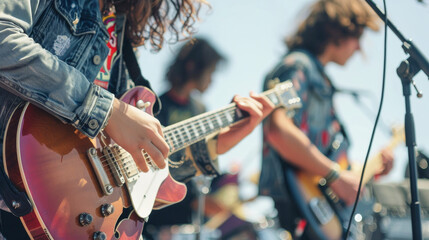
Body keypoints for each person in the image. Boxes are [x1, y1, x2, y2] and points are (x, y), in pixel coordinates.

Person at [0, 1, 274, 239]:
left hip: (67, 216)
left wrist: (215, 144)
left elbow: (127, 161)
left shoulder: (117, 25)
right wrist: (107, 111)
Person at [258, 0, 394, 239]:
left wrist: (368, 172)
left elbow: (326, 153)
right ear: (338, 32)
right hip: (298, 208)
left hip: (317, 206)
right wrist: (334, 176)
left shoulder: (320, 77)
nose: (359, 49)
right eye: (358, 38)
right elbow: (277, 129)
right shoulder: (298, 65)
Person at [143, 37, 226, 239]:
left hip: (191, 204)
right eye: (211, 72)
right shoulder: (156, 106)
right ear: (193, 66)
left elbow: (204, 159)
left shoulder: (200, 109)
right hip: (159, 209)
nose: (212, 79)